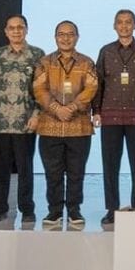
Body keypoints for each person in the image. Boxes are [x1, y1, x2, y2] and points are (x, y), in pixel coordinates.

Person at [33, 20, 98, 228]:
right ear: (55, 37)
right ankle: (54, 212)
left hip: (79, 127)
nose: (66, 38)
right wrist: (56, 108)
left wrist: (72, 107)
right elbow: (39, 89)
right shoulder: (45, 62)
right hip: (50, 127)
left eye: (70, 34)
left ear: (77, 37)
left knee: (76, 172)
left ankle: (74, 210)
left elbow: (92, 88)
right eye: (61, 34)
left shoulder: (87, 63)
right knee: (52, 173)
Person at [0, 15, 45, 224]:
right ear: (6, 31)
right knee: (1, 170)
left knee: (25, 169)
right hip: (0, 121)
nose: (16, 31)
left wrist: (36, 115)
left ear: (26, 30)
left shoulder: (37, 55)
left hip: (26, 123)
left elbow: (41, 90)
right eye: (12, 28)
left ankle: (27, 209)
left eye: (20, 27)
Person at [92, 9, 135, 225]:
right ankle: (112, 209)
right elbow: (98, 82)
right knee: (110, 166)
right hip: (110, 117)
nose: (124, 26)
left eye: (128, 22)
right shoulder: (106, 51)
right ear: (114, 26)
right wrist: (96, 111)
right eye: (120, 22)